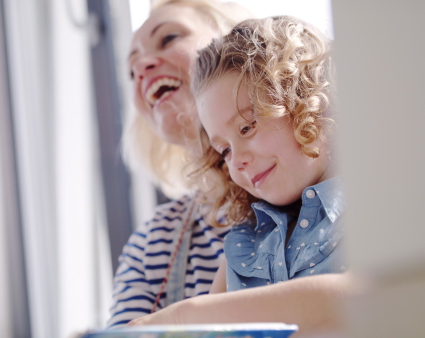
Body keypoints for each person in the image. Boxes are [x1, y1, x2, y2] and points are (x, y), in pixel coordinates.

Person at [127, 16, 350, 336]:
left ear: (307, 97)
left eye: (247, 127)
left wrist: (183, 316)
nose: (238, 161)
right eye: (225, 151)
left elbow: (357, 296)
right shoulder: (244, 241)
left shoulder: (371, 198)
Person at [107, 0, 254, 328]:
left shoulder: (324, 194)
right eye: (131, 70)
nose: (142, 67)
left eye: (169, 38)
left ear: (237, 41)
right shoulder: (153, 244)